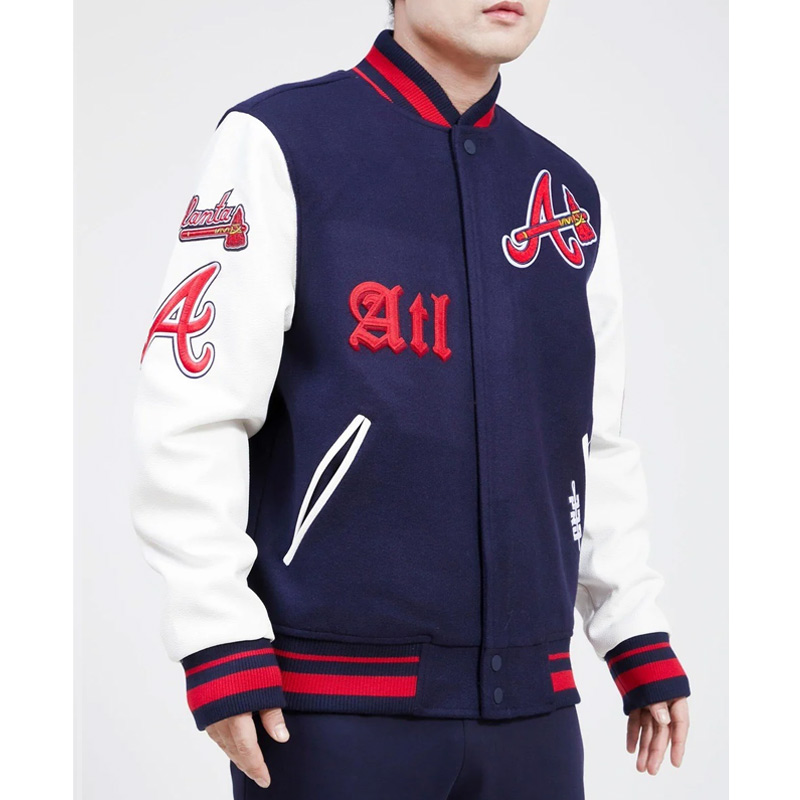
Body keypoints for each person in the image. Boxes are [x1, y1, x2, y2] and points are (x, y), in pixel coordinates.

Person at [130, 1, 692, 797]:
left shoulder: (566, 197)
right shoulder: (282, 141)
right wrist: (214, 632)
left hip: (531, 709)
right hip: (329, 708)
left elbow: (589, 439)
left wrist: (631, 624)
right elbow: (192, 404)